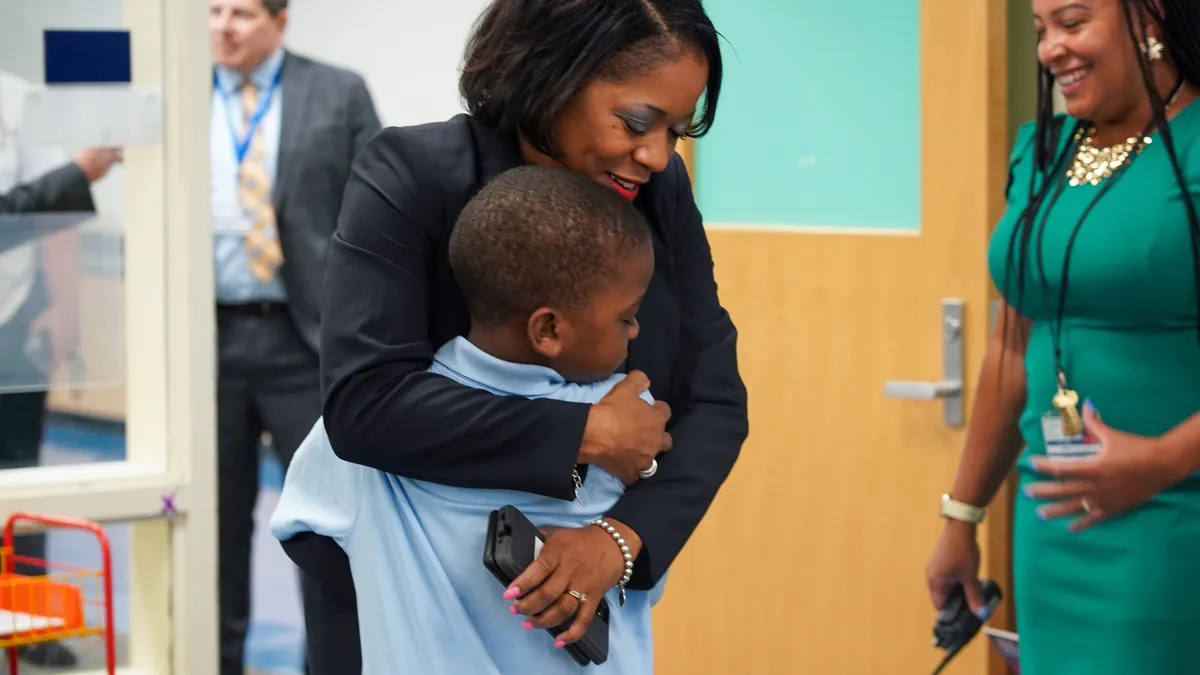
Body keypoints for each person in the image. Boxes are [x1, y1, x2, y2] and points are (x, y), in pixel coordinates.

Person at [278, 0, 749, 672]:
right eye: (639, 121)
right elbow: (364, 403)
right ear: (552, 73)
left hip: (569, 604)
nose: (657, 154)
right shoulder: (415, 175)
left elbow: (716, 399)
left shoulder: (657, 192)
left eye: (679, 128)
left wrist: (616, 541)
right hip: (407, 603)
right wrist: (585, 431)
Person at [273, 164, 670, 674]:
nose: (636, 331)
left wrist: (399, 593)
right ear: (548, 328)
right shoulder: (626, 419)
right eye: (626, 317)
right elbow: (648, 581)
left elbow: (303, 529)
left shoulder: (382, 428)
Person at [926, 0, 1200, 672]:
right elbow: (1011, 346)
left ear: (1150, 19)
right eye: (1041, 30)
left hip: (1173, 521)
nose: (1051, 50)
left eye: (1073, 23)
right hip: (1053, 524)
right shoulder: (1042, 149)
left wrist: (1162, 459)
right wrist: (962, 513)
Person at [207, 1, 382, 673]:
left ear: (280, 22)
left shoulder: (337, 92)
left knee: (321, 525)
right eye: (214, 10)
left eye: (243, 12)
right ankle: (217, 658)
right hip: (208, 342)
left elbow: (379, 213)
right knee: (215, 526)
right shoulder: (181, 96)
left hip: (304, 341)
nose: (224, 25)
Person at [0, 68, 122, 668]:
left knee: (21, 473)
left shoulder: (20, 100)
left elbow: (50, 218)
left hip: (13, 313)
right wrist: (80, 173)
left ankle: (28, 623)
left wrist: (65, 305)